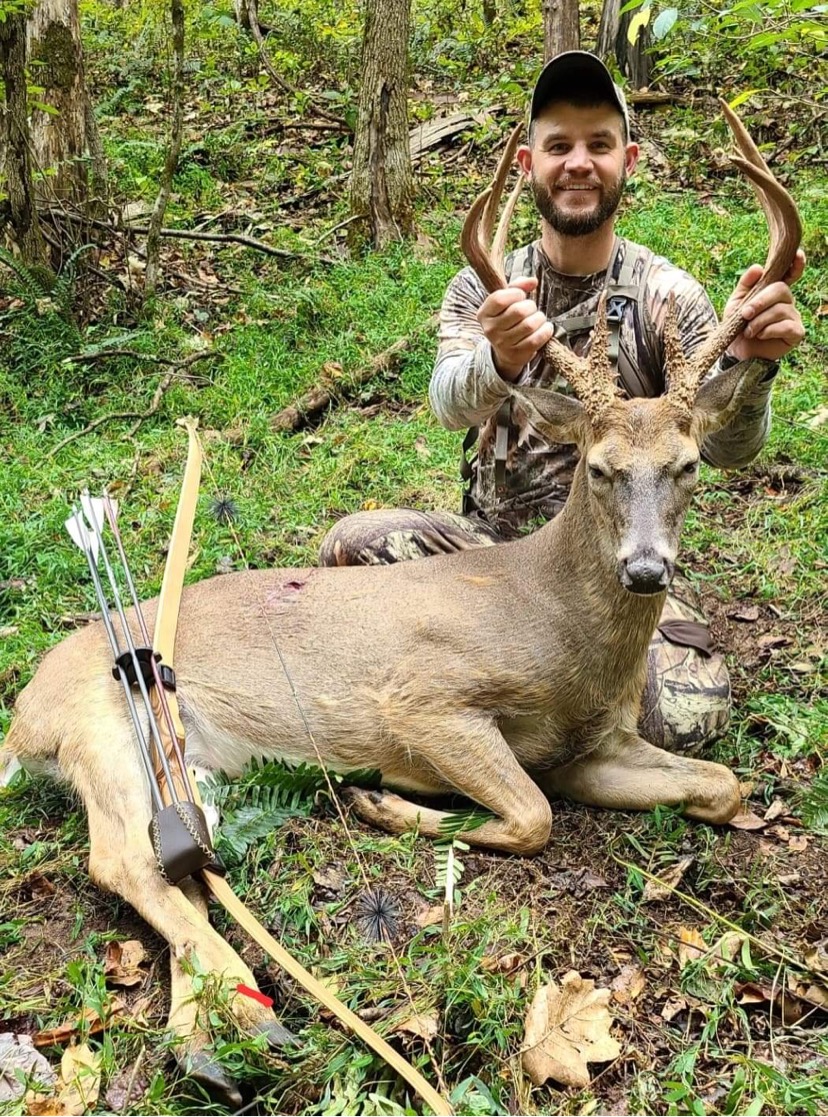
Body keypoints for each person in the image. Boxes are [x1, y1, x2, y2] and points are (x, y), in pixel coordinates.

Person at [319, 51, 805, 752]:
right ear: (527, 163)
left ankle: (482, 716)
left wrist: (750, 367)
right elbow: (448, 402)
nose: (579, 162)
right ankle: (485, 710)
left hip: (623, 574)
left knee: (687, 718)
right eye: (559, 146)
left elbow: (726, 449)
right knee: (348, 549)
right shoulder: (489, 286)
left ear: (627, 159)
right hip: (489, 561)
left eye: (599, 144)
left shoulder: (671, 298)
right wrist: (500, 358)